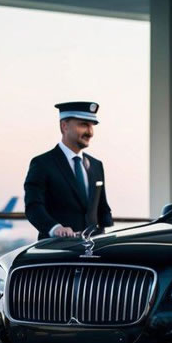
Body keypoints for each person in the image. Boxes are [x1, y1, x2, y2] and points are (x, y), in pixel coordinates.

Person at [24, 101, 113, 239]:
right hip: (57, 250)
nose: (90, 132)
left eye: (91, 126)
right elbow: (33, 206)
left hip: (93, 250)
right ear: (64, 126)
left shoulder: (96, 165)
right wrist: (55, 228)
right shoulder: (42, 163)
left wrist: (107, 235)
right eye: (83, 124)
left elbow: (102, 208)